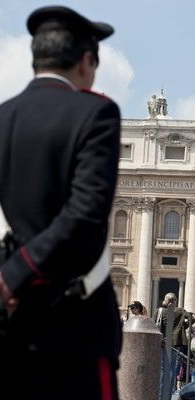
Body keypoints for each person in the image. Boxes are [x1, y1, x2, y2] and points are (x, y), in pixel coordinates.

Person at [0, 6, 121, 400]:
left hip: (14, 319)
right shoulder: (95, 112)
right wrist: (19, 269)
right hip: (78, 323)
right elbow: (86, 212)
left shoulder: (4, 116)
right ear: (87, 61)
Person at [156, 293, 195, 394]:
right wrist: (183, 327)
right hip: (175, 343)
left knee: (162, 369)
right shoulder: (180, 311)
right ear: (174, 301)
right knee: (172, 369)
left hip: (162, 343)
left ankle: (160, 395)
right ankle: (168, 394)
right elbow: (192, 319)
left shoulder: (160, 311)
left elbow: (153, 324)